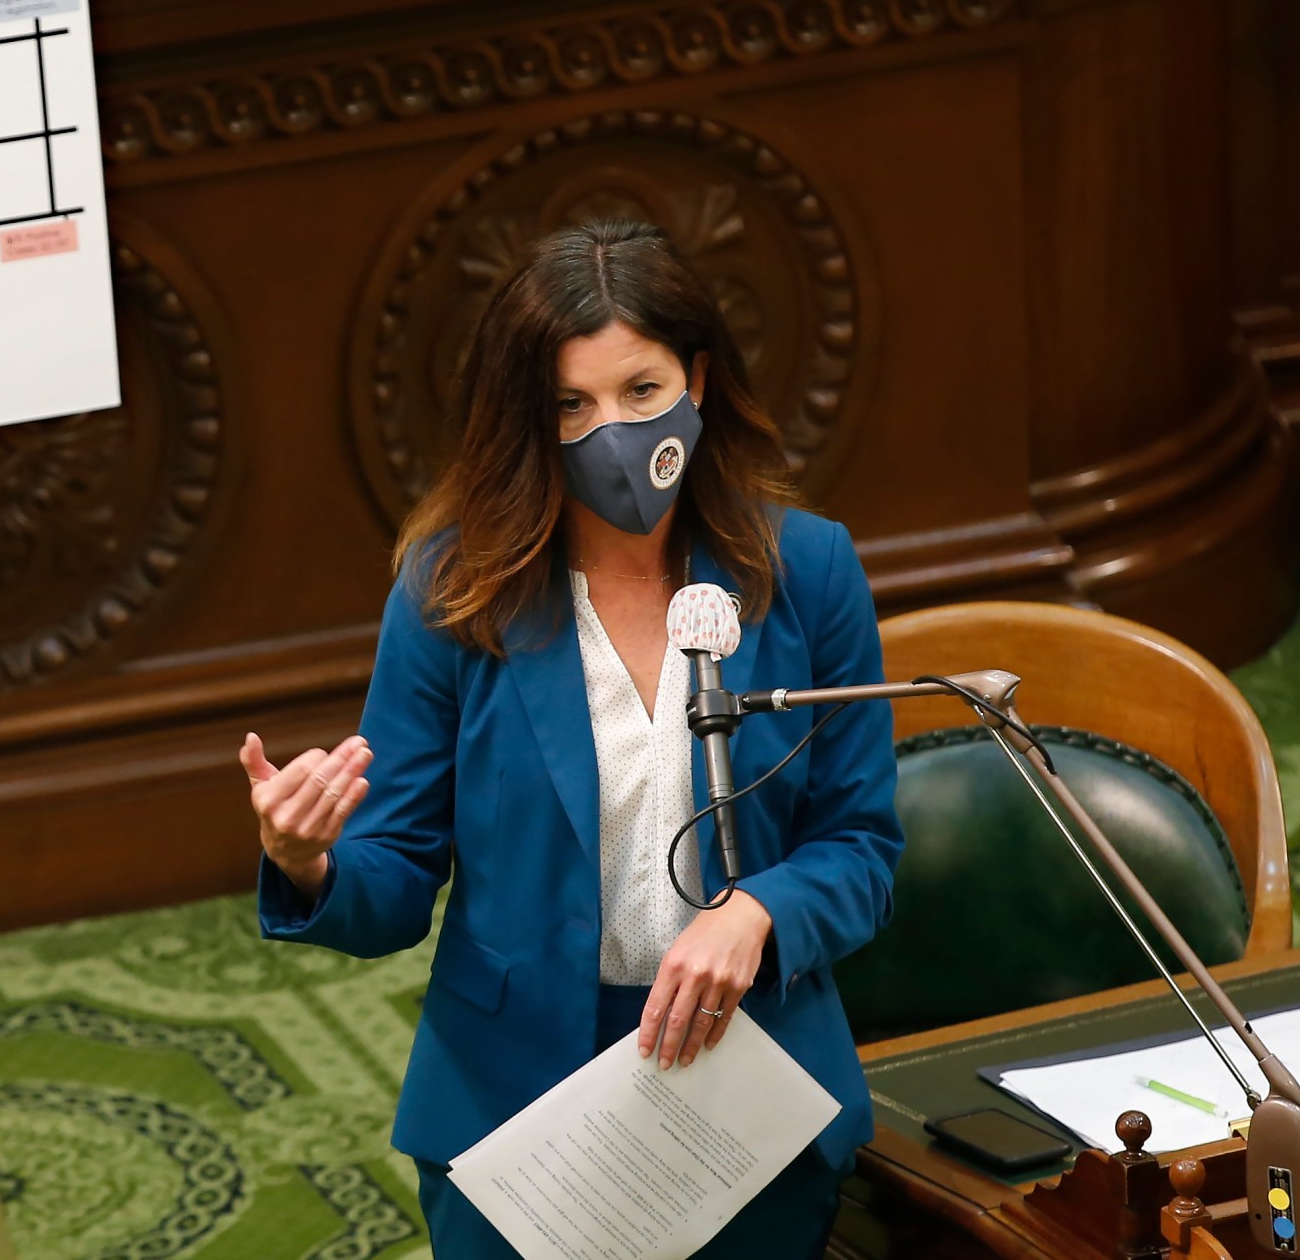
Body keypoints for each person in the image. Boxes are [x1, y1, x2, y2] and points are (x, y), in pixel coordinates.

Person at [244, 216, 902, 1259]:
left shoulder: (807, 570)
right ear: (526, 418)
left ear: (698, 378)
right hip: (518, 1106)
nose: (613, 433)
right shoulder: (453, 594)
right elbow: (396, 880)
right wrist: (308, 861)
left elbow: (861, 849)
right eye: (570, 405)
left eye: (640, 393)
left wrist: (759, 914)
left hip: (747, 1087)